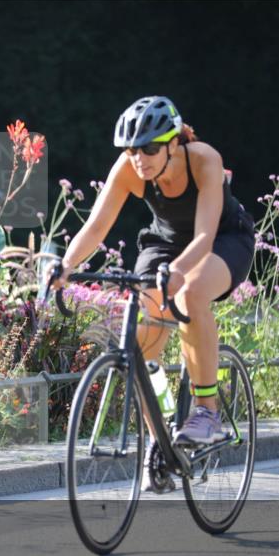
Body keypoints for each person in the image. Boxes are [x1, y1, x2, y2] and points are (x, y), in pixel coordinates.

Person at [46, 96, 255, 491]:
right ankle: (161, 442)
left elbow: (205, 236)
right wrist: (66, 265)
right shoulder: (130, 169)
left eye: (149, 148)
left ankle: (207, 409)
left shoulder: (203, 160)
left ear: (174, 143)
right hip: (163, 245)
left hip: (223, 241)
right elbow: (96, 226)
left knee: (190, 294)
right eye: (131, 150)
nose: (139, 158)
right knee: (141, 341)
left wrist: (177, 272)